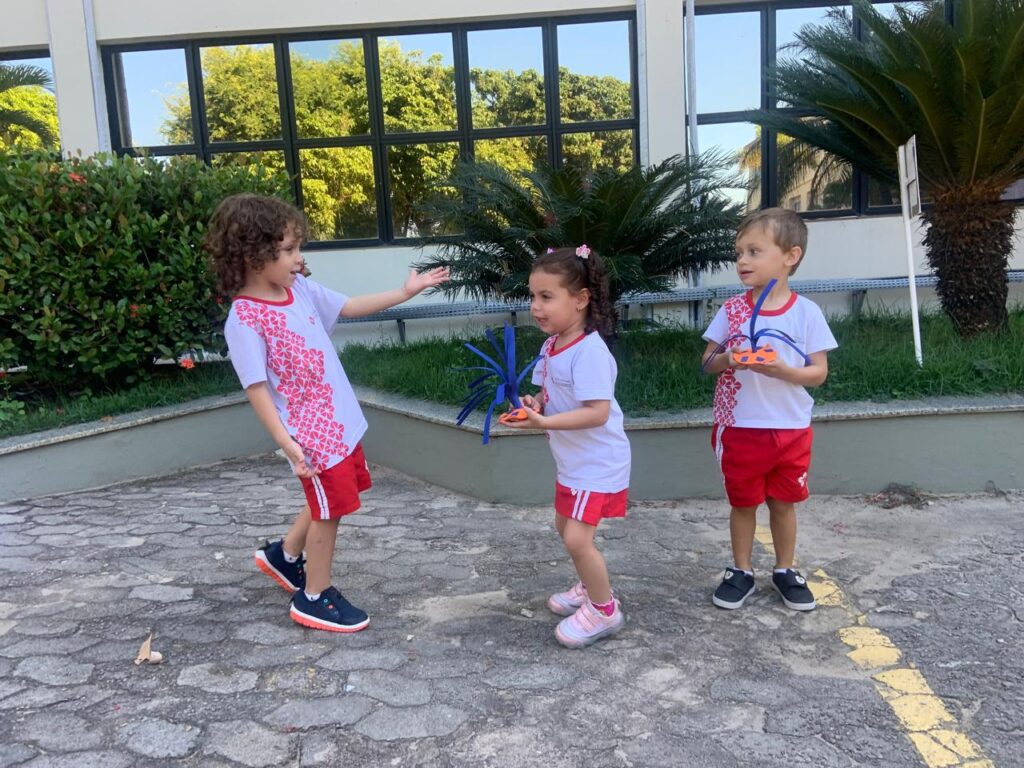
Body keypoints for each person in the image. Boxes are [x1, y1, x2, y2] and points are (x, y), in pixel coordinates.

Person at [206, 193, 448, 632]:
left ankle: (284, 556)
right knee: (328, 509)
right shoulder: (245, 319)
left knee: (328, 498)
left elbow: (347, 307)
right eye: (289, 250)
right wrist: (286, 443)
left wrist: (405, 292)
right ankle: (314, 596)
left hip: (339, 422)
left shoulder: (297, 290)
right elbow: (256, 389)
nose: (299, 259)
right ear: (253, 255)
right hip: (309, 435)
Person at [701, 208, 837, 612]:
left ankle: (785, 569)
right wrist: (730, 359)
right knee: (743, 503)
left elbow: (818, 373)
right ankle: (740, 570)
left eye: (754, 251)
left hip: (791, 427)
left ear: (790, 256)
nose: (742, 260)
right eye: (739, 253)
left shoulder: (807, 312)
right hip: (741, 426)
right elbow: (707, 361)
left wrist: (783, 371)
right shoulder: (732, 311)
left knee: (783, 501)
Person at [506, 245, 631, 648]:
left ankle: (604, 610)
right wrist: (534, 404)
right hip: (573, 461)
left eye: (546, 296)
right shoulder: (552, 346)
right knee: (564, 526)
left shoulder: (589, 351)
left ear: (580, 300)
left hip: (598, 461)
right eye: (532, 296)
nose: (535, 306)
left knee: (577, 538)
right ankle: (589, 586)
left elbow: (597, 412)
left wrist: (545, 422)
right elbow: (549, 394)